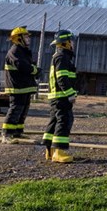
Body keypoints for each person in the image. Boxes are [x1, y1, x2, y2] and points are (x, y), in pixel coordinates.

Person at [43, 30, 79, 163]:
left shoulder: (59, 56)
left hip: (56, 97)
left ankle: (50, 151)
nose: (73, 44)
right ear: (65, 43)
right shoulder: (62, 57)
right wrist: (70, 94)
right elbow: (62, 78)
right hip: (61, 97)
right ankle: (59, 151)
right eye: (71, 41)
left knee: (54, 122)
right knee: (64, 121)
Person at [2, 26, 38, 144]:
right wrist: (35, 70)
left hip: (24, 86)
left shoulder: (23, 51)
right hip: (16, 86)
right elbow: (22, 66)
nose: (28, 38)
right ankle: (6, 134)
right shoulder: (15, 51)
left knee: (23, 109)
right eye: (26, 36)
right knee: (15, 109)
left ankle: (17, 132)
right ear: (18, 38)